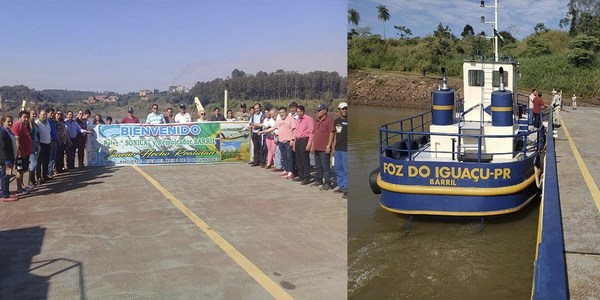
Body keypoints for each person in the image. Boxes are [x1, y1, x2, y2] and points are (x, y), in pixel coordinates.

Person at [261, 107, 295, 179]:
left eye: (283, 112)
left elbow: (294, 129)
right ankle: (286, 170)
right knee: (284, 157)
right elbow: (273, 128)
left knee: (289, 157)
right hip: (281, 141)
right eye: (280, 113)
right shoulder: (279, 121)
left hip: (288, 141)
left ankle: (291, 172)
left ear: (286, 112)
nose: (281, 114)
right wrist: (263, 131)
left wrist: (292, 139)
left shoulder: (290, 119)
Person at [310, 104, 335, 190]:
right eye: (317, 110)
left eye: (319, 110)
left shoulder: (329, 120)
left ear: (325, 111)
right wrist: (313, 146)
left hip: (324, 148)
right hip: (316, 147)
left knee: (326, 167)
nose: (317, 112)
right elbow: (314, 134)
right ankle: (319, 180)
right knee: (318, 166)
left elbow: (332, 133)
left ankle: (327, 183)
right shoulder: (317, 121)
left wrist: (328, 146)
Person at [11, 111, 33, 194]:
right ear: (19, 117)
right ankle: (19, 188)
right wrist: (21, 152)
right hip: (20, 154)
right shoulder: (16, 126)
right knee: (19, 170)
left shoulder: (23, 126)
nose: (26, 119)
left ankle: (22, 185)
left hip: (26, 153)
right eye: (24, 117)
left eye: (27, 117)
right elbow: (17, 141)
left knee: (23, 170)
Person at [293, 105, 314, 185]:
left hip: (304, 140)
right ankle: (300, 175)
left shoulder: (308, 119)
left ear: (303, 111)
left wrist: (309, 144)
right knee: (298, 159)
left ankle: (306, 177)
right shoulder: (297, 120)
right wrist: (294, 144)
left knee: (305, 160)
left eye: (300, 112)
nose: (299, 113)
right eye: (297, 112)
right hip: (298, 140)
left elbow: (311, 132)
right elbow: (296, 133)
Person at [332, 102, 348, 198]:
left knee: (346, 170)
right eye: (343, 109)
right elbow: (334, 135)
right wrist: (333, 148)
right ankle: (341, 186)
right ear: (339, 110)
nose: (345, 110)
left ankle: (347, 189)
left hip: (346, 150)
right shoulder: (336, 121)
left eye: (346, 108)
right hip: (338, 149)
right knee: (338, 168)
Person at [1, 116, 18, 201]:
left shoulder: (8, 131)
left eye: (11, 121)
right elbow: (1, 148)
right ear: (3, 122)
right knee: (5, 176)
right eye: (8, 122)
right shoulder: (2, 132)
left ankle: (6, 193)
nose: (10, 123)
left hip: (11, 158)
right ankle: (5, 195)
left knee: (7, 176)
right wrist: (6, 160)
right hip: (6, 160)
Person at [35, 109, 52, 183]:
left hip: (48, 143)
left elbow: (49, 132)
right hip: (41, 144)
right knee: (39, 162)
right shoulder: (37, 123)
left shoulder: (47, 122)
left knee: (46, 161)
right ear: (39, 115)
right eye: (43, 114)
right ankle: (38, 177)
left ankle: (45, 175)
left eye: (45, 114)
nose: (44, 116)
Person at [46, 107, 59, 177]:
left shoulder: (53, 122)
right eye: (51, 113)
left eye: (53, 113)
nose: (52, 114)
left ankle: (51, 170)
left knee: (53, 157)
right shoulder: (46, 122)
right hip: (50, 141)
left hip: (55, 141)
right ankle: (48, 171)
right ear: (47, 113)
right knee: (50, 157)